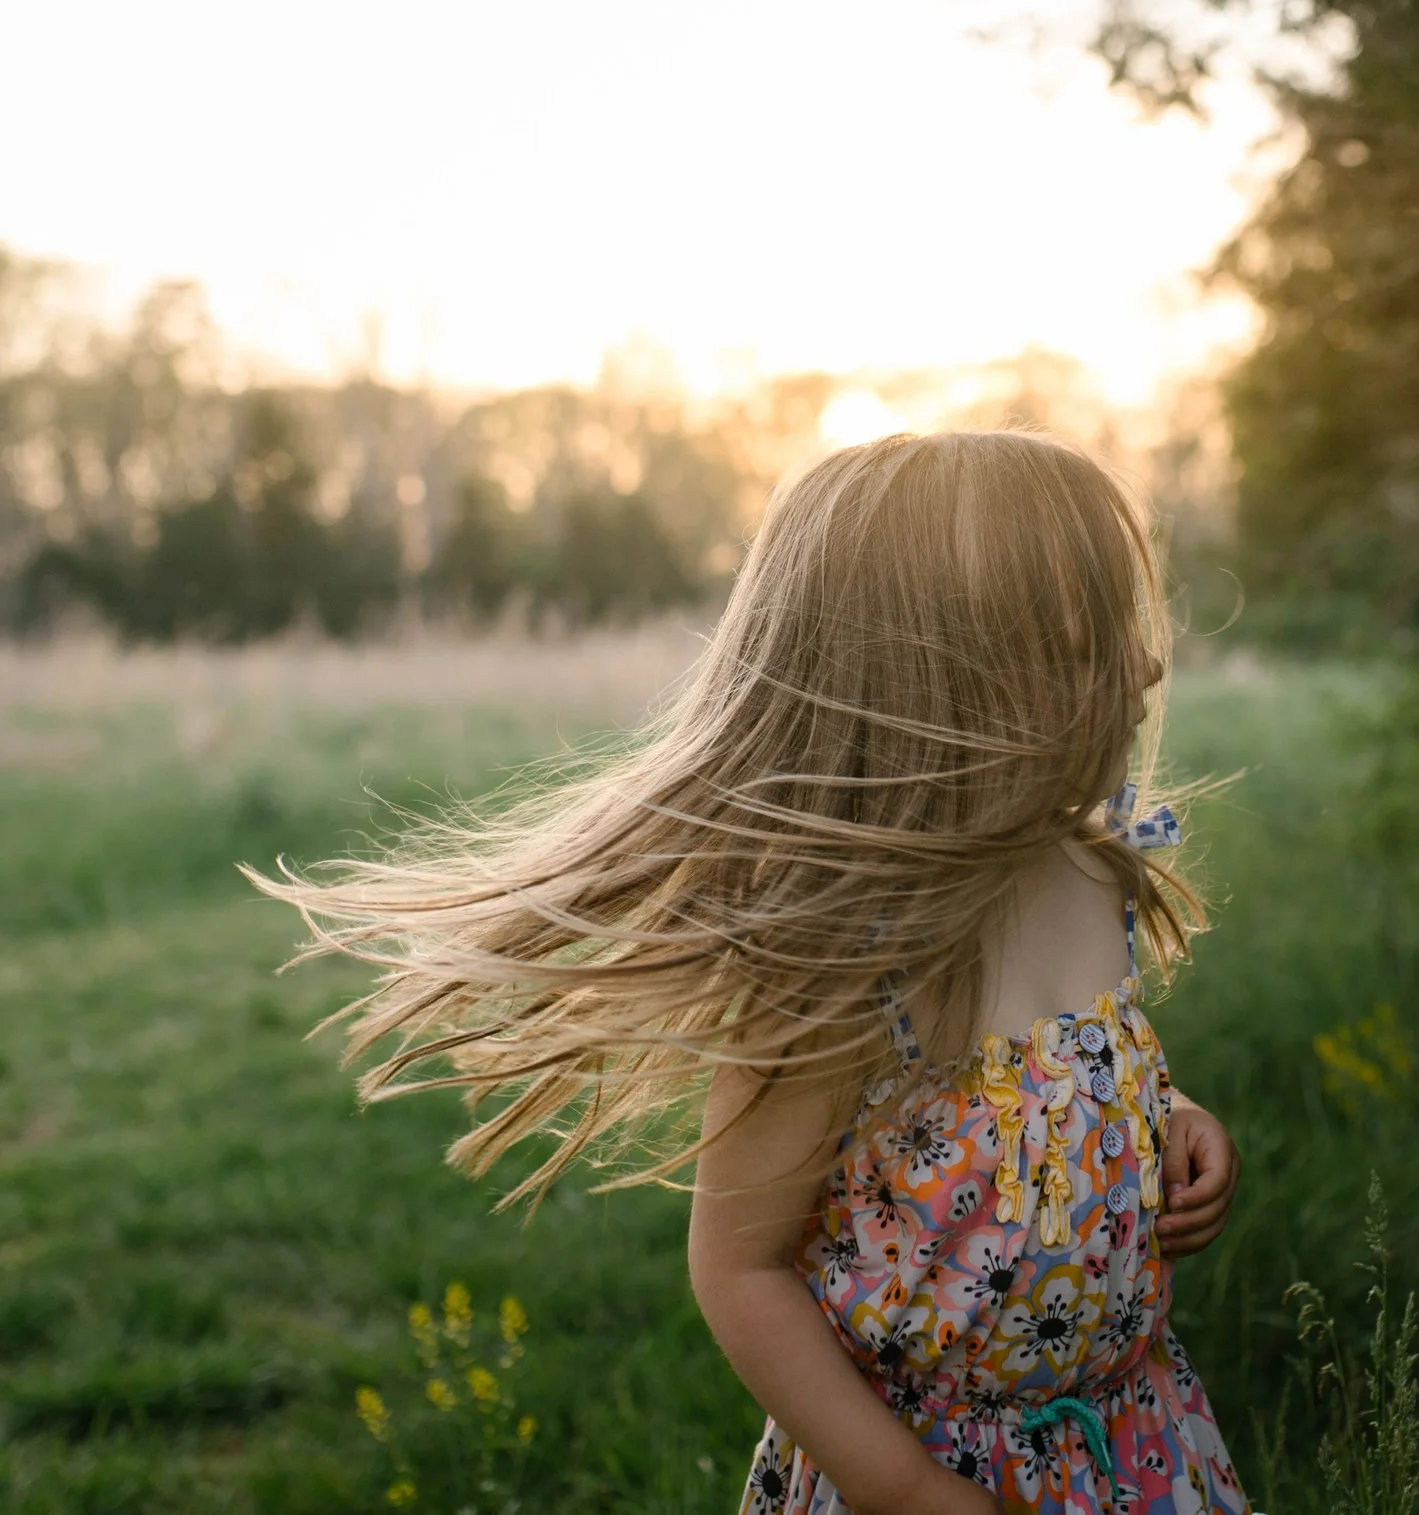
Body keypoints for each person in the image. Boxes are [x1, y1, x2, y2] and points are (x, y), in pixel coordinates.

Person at [256, 432, 1251, 1514]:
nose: (1148, 666)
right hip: (924, 1471)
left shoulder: (1094, 863)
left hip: (1135, 1446)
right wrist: (910, 1489)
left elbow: (1077, 1073)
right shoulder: (851, 963)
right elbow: (741, 1268)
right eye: (1097, 636)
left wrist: (1175, 1115)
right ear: (968, 676)